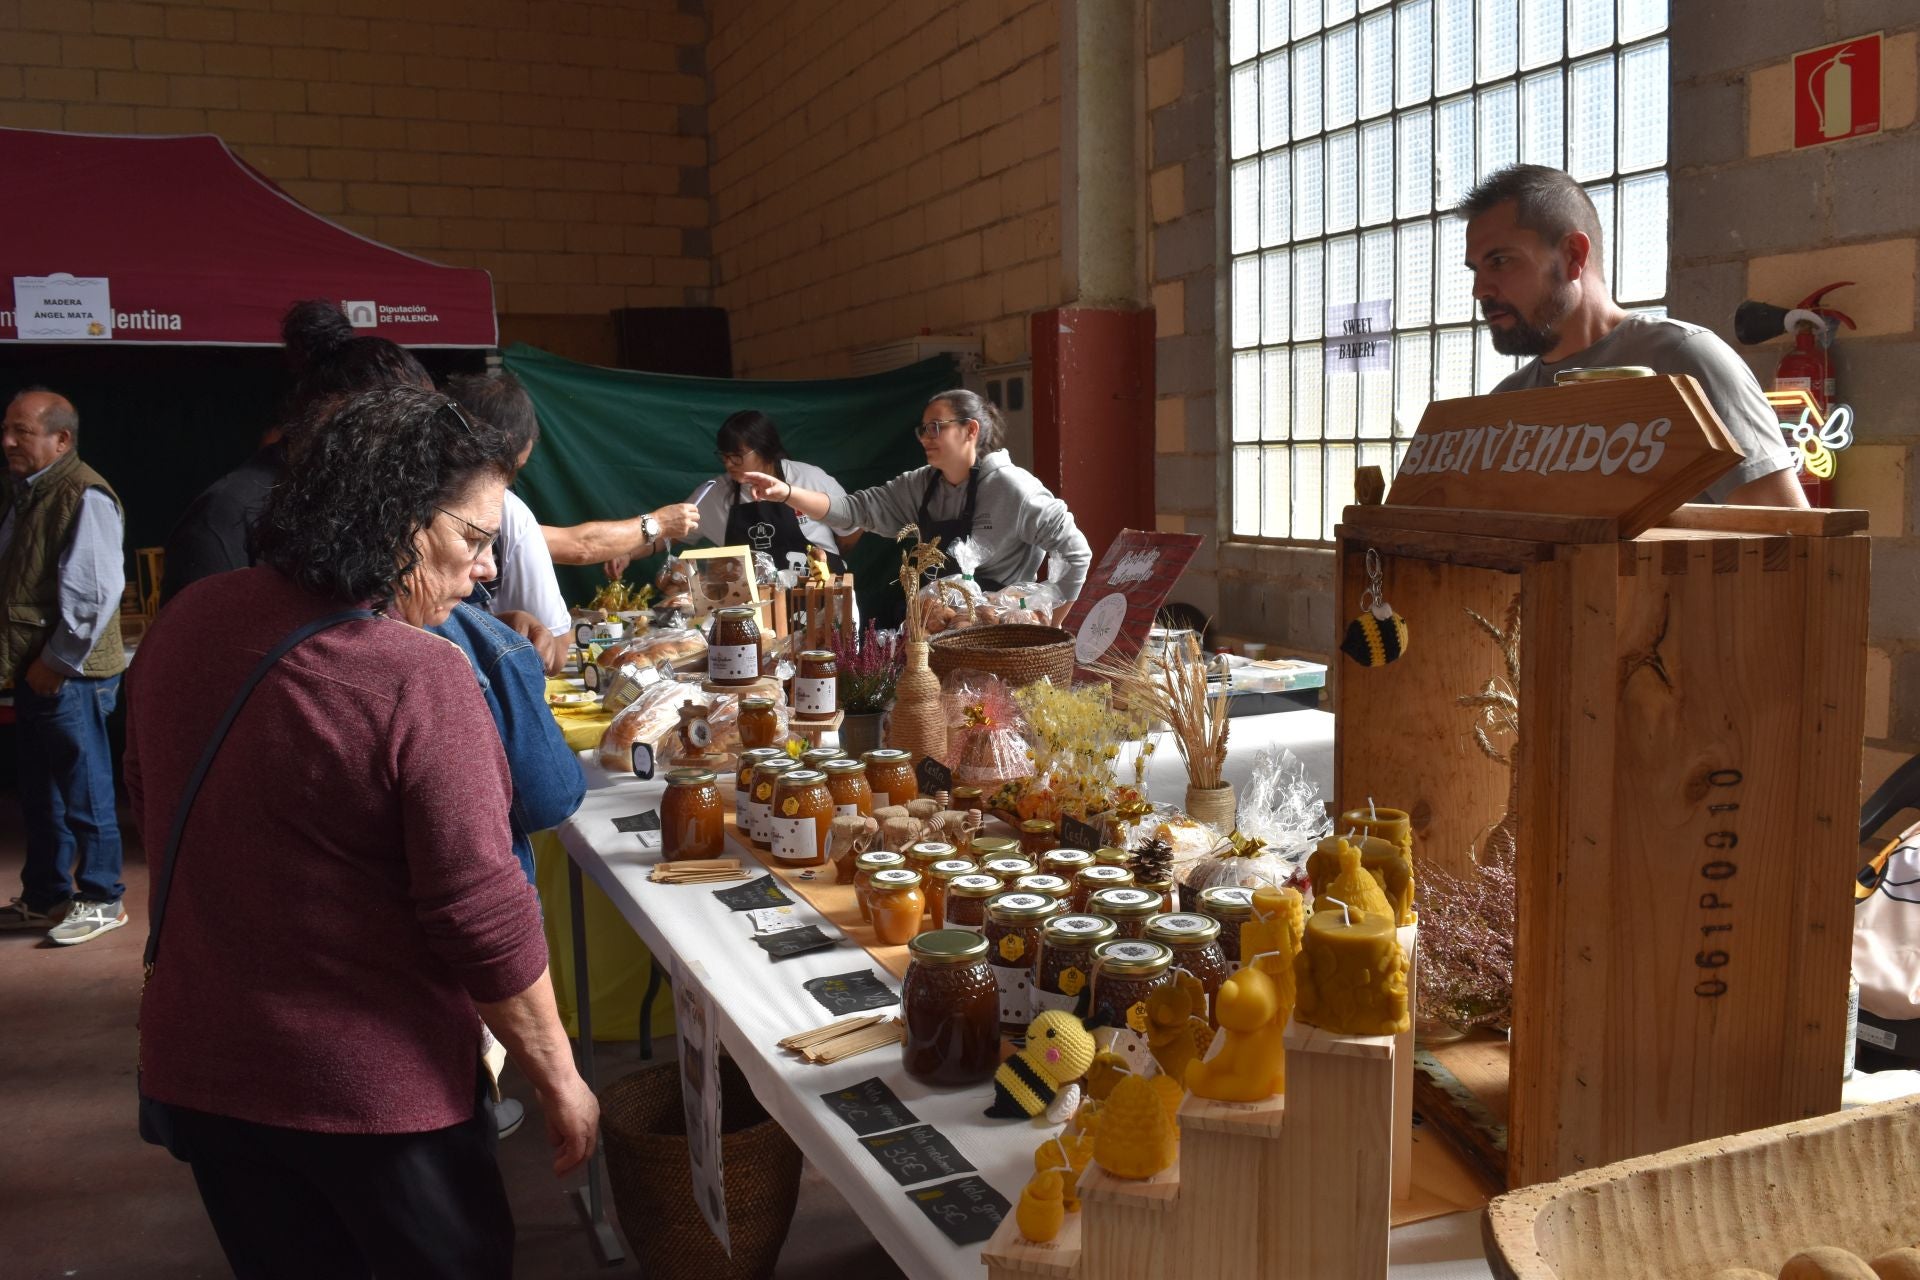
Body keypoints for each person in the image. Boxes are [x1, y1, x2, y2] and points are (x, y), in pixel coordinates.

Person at [124, 386, 596, 1277]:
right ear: (397, 521)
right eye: (475, 539)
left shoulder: (186, 621)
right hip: (375, 1101)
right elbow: (482, 915)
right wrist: (561, 1078)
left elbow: (149, 802)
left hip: (209, 1076)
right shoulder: (419, 676)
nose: (488, 571)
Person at [1462, 164, 1805, 507]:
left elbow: (1788, 540)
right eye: (1476, 270)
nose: (1480, 289)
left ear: (1573, 256)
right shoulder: (1505, 403)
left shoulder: (1684, 359)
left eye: (1500, 261)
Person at [160, 299, 437, 605]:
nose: (408, 451)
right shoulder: (225, 516)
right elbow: (195, 643)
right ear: (329, 415)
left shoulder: (377, 503)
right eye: (395, 429)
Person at [738, 388, 1092, 611]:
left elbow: (1075, 552)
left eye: (936, 427)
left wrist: (1051, 618)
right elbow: (851, 510)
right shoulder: (919, 485)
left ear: (971, 430)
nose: (925, 437)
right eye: (923, 429)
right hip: (940, 628)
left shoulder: (1013, 488)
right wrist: (785, 492)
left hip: (1000, 638)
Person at [447, 370, 700, 671]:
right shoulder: (509, 513)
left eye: (486, 542)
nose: (487, 568)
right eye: (514, 469)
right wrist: (656, 523)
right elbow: (578, 545)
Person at [0, 389, 130, 945]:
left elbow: (95, 594)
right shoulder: (30, 494)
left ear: (62, 439)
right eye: (6, 429)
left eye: (21, 431)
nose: (7, 441)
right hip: (36, 671)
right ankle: (46, 895)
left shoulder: (83, 493)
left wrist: (54, 664)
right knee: (41, 792)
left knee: (85, 790)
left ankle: (103, 899)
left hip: (66, 675)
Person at [614, 409, 857, 582]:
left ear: (764, 448)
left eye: (737, 456)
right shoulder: (714, 496)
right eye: (724, 456)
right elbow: (667, 532)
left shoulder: (810, 479)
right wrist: (627, 552)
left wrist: (830, 558)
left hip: (821, 599)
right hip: (755, 615)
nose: (729, 464)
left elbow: (852, 529)